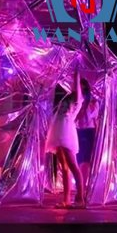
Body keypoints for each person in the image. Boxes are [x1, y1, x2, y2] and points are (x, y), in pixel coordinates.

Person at [45, 79, 85, 208]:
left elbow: (77, 88)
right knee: (64, 167)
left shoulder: (77, 101)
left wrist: (77, 75)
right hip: (58, 132)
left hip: (66, 133)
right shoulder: (66, 99)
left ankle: (80, 198)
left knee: (73, 165)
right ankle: (66, 200)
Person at [76, 79, 100, 186]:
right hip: (78, 131)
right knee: (79, 158)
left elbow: (95, 119)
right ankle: (80, 183)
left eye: (82, 88)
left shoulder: (93, 103)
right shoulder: (77, 102)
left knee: (86, 158)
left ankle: (84, 184)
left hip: (89, 131)